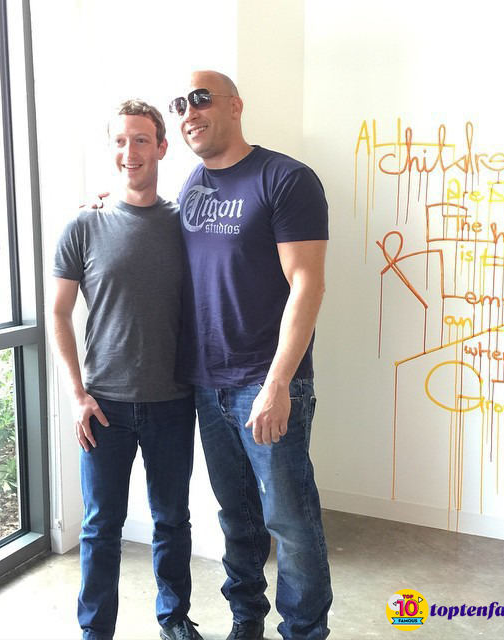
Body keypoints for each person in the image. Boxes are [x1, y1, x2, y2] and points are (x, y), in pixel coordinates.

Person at [170, 71, 333, 640]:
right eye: (180, 104)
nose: (188, 112)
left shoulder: (285, 178)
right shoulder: (192, 185)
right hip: (206, 381)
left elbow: (308, 284)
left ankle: (304, 631)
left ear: (236, 106)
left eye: (201, 99)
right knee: (236, 517)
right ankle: (246, 621)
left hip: (266, 382)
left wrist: (278, 384)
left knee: (290, 520)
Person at [50, 99, 202, 640]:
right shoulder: (83, 225)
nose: (129, 151)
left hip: (173, 401)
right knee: (100, 527)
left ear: (161, 147)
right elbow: (58, 313)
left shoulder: (186, 225)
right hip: (104, 406)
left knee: (172, 520)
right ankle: (96, 631)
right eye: (120, 141)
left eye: (140, 139)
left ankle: (174, 619)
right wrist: (77, 394)